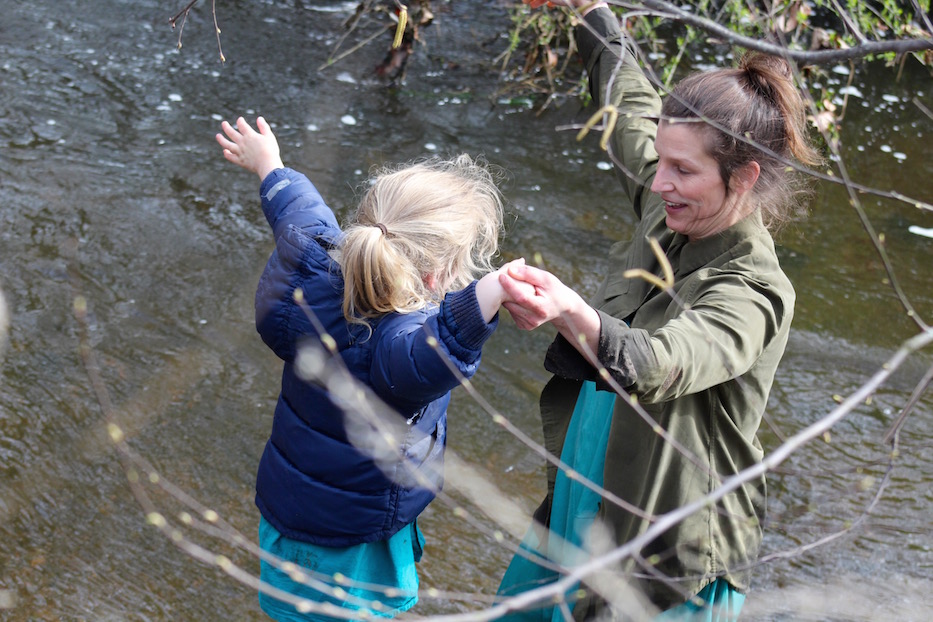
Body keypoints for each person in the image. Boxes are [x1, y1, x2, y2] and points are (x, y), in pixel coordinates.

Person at [495, 1, 822, 620]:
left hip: (664, 548)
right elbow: (632, 108)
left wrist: (573, 313)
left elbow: (662, 362)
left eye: (682, 169)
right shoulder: (671, 205)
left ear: (744, 177)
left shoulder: (751, 290)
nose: (661, 180)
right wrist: (593, 17)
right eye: (662, 162)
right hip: (583, 497)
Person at [216, 116, 528, 621]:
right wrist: (497, 288)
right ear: (435, 276)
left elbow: (297, 210)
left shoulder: (315, 266)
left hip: (291, 504)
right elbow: (440, 344)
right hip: (352, 534)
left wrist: (269, 163)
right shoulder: (397, 347)